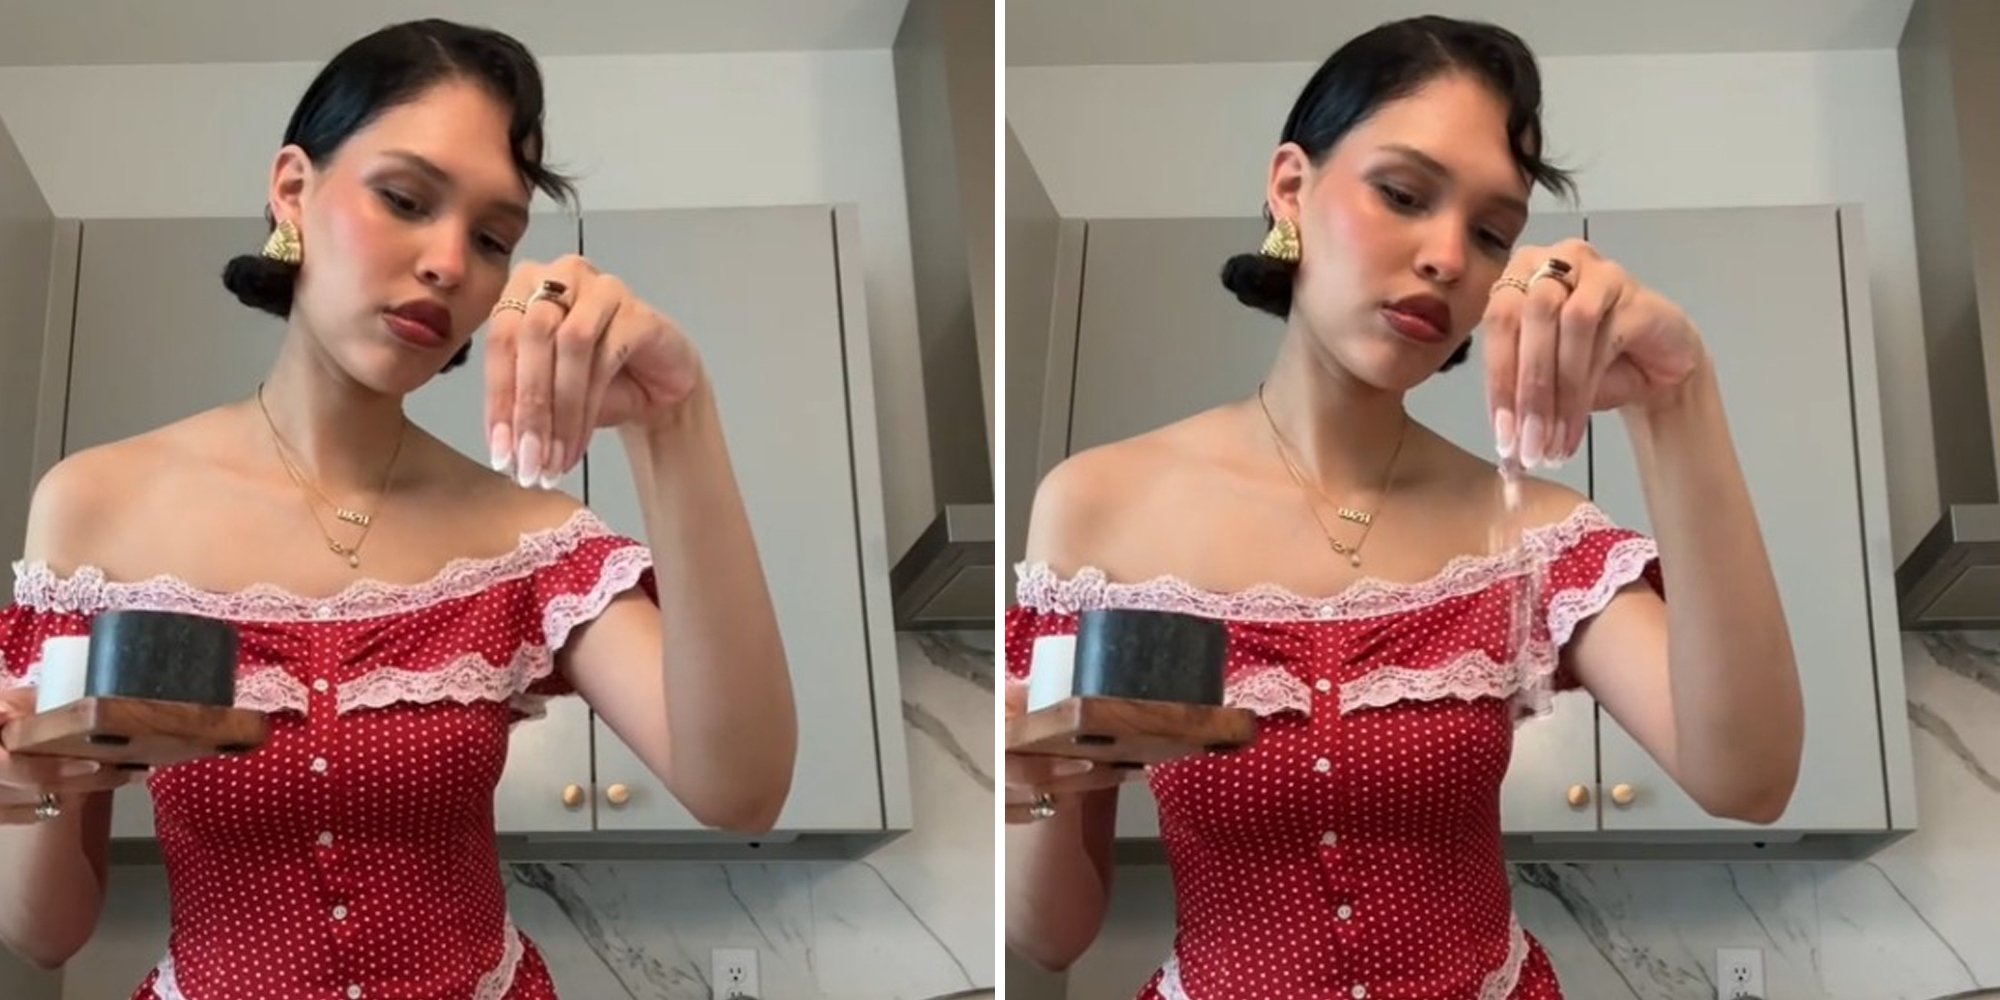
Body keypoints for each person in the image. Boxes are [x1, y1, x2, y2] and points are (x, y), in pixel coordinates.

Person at [1003, 15, 1805, 1000]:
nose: (1444, 257)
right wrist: (1026, 791)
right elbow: (1050, 938)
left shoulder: (1528, 532)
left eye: (1490, 233)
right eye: (1401, 193)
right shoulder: (1097, 511)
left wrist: (1675, 399)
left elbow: (1747, 778)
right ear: (1289, 186)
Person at [0, 18, 797, 1000]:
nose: (449, 263)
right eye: (405, 198)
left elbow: (740, 787)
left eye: (493, 237)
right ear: (293, 189)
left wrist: (676, 419)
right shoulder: (95, 508)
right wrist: (26, 781)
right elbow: (45, 936)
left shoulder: (525, 539)